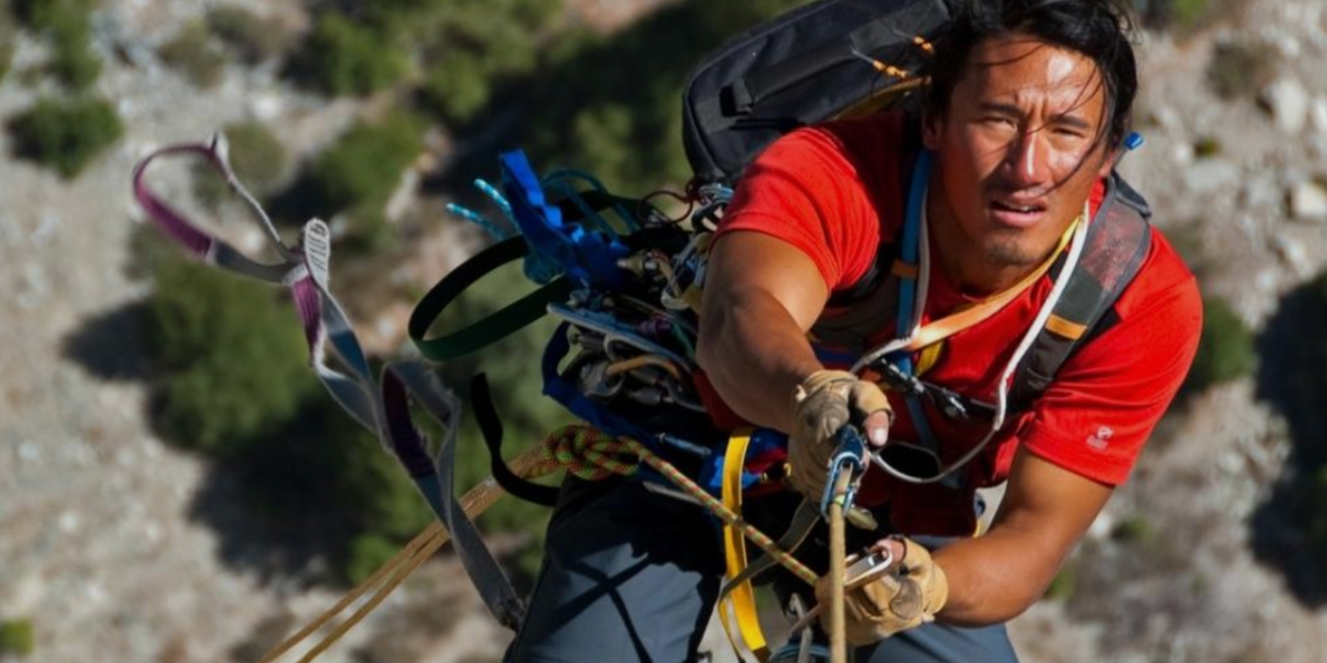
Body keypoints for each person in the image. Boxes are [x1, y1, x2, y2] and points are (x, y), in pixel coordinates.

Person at [504, 0, 1201, 661]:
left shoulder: (1133, 302)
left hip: (898, 526)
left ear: (1110, 152)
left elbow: (1031, 540)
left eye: (1067, 133)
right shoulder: (834, 171)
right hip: (690, 451)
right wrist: (808, 395)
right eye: (996, 120)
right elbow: (739, 318)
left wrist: (928, 585)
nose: (1027, 168)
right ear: (933, 119)